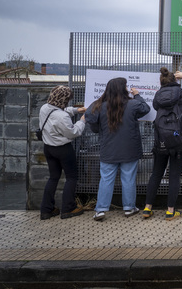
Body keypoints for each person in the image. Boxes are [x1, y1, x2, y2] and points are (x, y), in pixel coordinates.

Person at [86, 77, 150, 221]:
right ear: (123, 89)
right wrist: (137, 95)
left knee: (106, 179)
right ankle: (129, 208)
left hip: (108, 149)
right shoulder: (133, 104)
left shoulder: (99, 105)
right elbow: (146, 108)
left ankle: (101, 209)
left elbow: (89, 117)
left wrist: (98, 128)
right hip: (129, 149)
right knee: (128, 178)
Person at [143, 68, 182, 220]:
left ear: (161, 82)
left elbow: (157, 108)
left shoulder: (157, 98)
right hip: (178, 142)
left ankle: (147, 208)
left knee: (156, 174)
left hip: (161, 141)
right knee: (174, 176)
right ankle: (170, 211)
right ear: (176, 80)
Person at [39, 85, 87, 220]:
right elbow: (73, 132)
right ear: (64, 100)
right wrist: (82, 120)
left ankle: (46, 210)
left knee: (53, 177)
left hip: (48, 147)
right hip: (63, 149)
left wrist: (77, 110)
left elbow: (60, 110)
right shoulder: (62, 116)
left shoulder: (44, 108)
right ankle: (68, 208)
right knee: (71, 177)